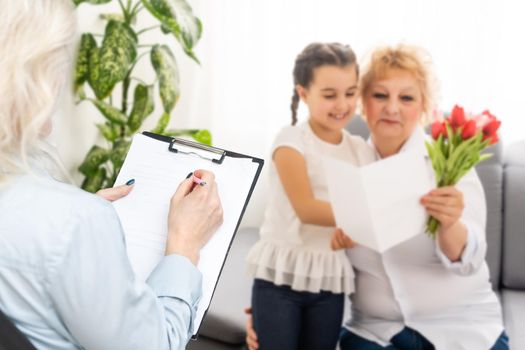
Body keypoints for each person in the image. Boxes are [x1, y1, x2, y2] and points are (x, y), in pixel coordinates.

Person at [246, 44, 509, 350]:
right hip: (375, 332)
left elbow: (468, 262)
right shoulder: (345, 164)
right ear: (363, 102)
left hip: (461, 328)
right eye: (380, 95)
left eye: (406, 98)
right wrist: (269, 312)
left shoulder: (447, 166)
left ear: (424, 106)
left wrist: (450, 224)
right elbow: (300, 236)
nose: (392, 108)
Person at [0, 1, 223, 349]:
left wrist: (76, 220)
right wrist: (185, 246)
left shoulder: (64, 217)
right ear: (31, 76)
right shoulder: (72, 223)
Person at [244, 42, 375, 350]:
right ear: (303, 93)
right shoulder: (290, 140)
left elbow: (362, 221)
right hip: (280, 279)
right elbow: (307, 209)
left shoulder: (359, 150)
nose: (342, 104)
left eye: (350, 93)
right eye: (329, 95)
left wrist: (354, 233)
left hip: (328, 278)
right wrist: (367, 215)